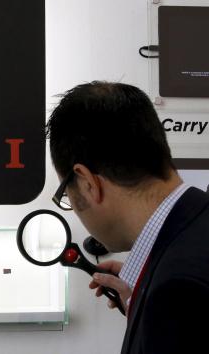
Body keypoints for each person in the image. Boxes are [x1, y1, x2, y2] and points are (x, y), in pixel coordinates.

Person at [45, 81, 209, 354]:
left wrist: (159, 312)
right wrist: (145, 301)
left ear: (87, 182)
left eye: (66, 193)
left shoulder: (177, 289)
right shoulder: (196, 230)